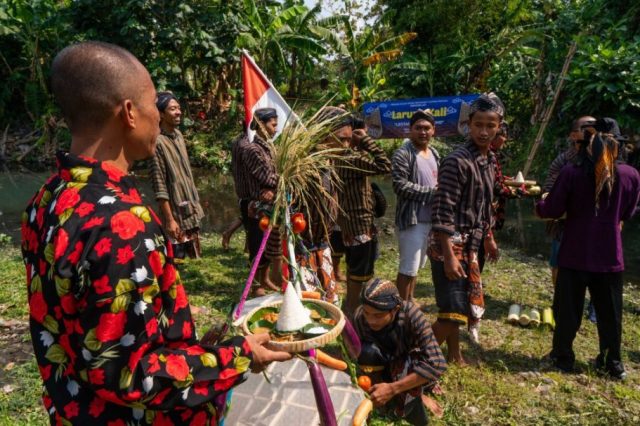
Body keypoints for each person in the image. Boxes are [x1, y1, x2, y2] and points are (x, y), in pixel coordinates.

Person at [21, 41, 291, 425]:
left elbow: (91, 329)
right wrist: (238, 355)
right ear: (129, 113)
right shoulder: (120, 224)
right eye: (152, 106)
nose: (158, 118)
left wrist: (195, 347)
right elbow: (130, 374)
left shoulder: (46, 200)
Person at [536, 119, 640, 379]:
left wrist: (540, 202)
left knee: (568, 310)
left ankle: (563, 357)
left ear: (586, 145)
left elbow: (552, 210)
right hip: (609, 256)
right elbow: (627, 212)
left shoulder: (572, 172)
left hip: (574, 253)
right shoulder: (630, 175)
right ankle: (612, 363)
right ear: (619, 147)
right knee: (610, 314)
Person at [427, 93, 503, 364]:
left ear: (498, 126)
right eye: (478, 124)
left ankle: (455, 353)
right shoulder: (456, 161)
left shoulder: (490, 160)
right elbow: (442, 210)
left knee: (454, 308)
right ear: (468, 125)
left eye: (490, 125)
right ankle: (415, 360)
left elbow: (485, 205)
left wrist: (489, 238)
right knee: (454, 309)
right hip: (449, 244)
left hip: (472, 245)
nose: (484, 131)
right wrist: (448, 255)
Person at [354, 278, 447, 425]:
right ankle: (378, 392)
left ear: (395, 309)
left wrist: (392, 388)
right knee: (366, 351)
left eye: (378, 315)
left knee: (415, 414)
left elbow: (437, 364)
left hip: (408, 362)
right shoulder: (360, 317)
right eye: (367, 313)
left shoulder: (412, 315)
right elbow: (355, 355)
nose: (371, 320)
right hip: (383, 361)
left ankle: (415, 393)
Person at [333, 107, 392, 319]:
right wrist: (367, 141)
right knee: (360, 272)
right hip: (359, 225)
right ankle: (351, 311)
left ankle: (351, 307)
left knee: (355, 269)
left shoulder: (342, 157)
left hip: (352, 224)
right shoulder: (350, 158)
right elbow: (385, 165)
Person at [232, 109, 283, 295]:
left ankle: (263, 280)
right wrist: (288, 177)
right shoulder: (252, 149)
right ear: (261, 125)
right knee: (257, 244)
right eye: (273, 124)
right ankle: (255, 285)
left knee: (265, 241)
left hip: (264, 204)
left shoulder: (265, 146)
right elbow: (268, 178)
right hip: (255, 205)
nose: (276, 129)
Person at [391, 109, 440, 301]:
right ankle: (401, 308)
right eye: (418, 128)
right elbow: (399, 185)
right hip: (412, 220)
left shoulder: (434, 153)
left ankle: (409, 301)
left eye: (427, 128)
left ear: (433, 130)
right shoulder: (403, 154)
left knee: (418, 265)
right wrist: (431, 193)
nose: (423, 132)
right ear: (410, 130)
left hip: (431, 219)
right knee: (408, 267)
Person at [150, 92, 205, 259]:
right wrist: (169, 220)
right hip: (176, 212)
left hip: (190, 207)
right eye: (172, 109)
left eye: (179, 108)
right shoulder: (157, 142)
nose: (178, 112)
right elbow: (159, 185)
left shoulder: (179, 136)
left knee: (195, 259)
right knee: (177, 262)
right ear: (160, 114)